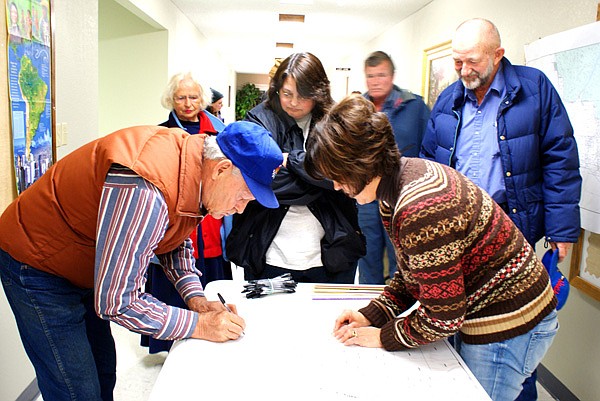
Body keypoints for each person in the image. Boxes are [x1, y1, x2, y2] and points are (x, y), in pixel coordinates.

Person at [0, 121, 283, 401]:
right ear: (222, 170)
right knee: (76, 389)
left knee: (103, 373)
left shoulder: (194, 166)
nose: (241, 208)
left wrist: (197, 298)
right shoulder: (144, 188)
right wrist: (199, 324)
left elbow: (174, 236)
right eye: (245, 196)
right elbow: (117, 301)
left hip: (82, 261)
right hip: (37, 263)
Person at [304, 94, 559, 401]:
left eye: (338, 177)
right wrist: (374, 314)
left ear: (359, 165)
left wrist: (382, 336)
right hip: (483, 307)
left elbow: (443, 318)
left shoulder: (419, 207)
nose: (336, 187)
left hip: (509, 319)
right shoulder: (393, 188)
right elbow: (413, 275)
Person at [419, 18, 581, 400]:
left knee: (512, 332)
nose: (463, 71)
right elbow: (428, 159)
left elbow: (561, 159)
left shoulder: (534, 89)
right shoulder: (448, 98)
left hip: (512, 234)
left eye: (471, 61)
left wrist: (562, 230)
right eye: (457, 62)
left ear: (498, 55)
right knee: (461, 327)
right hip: (458, 239)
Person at [226, 52, 365, 283]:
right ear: (277, 88)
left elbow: (345, 175)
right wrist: (322, 181)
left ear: (318, 93)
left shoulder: (336, 120)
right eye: (287, 93)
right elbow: (266, 181)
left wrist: (290, 161)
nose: (293, 102)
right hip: (269, 253)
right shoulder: (259, 119)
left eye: (303, 96)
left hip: (332, 254)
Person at [141, 72, 231, 354]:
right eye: (181, 97)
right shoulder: (161, 132)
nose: (188, 103)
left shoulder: (219, 131)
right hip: (177, 221)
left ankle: (213, 334)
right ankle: (172, 346)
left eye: (193, 97)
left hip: (210, 223)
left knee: (208, 282)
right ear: (172, 99)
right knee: (173, 277)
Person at [359, 51, 430, 285]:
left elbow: (428, 151)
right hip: (366, 198)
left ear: (392, 76)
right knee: (368, 255)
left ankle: (401, 307)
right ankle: (369, 307)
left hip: (402, 197)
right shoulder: (358, 109)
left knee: (402, 256)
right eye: (371, 76)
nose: (376, 81)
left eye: (381, 75)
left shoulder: (414, 106)